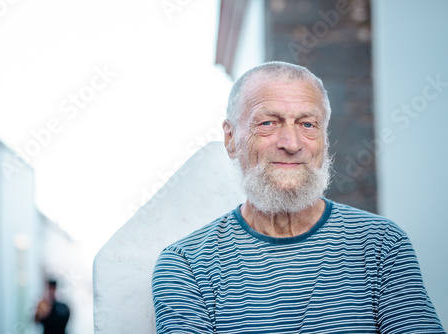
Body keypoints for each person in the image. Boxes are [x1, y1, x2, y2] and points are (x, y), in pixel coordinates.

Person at [151, 61, 446, 333]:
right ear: (230, 139)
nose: (291, 144)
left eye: (307, 124)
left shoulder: (381, 244)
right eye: (268, 123)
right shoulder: (186, 265)